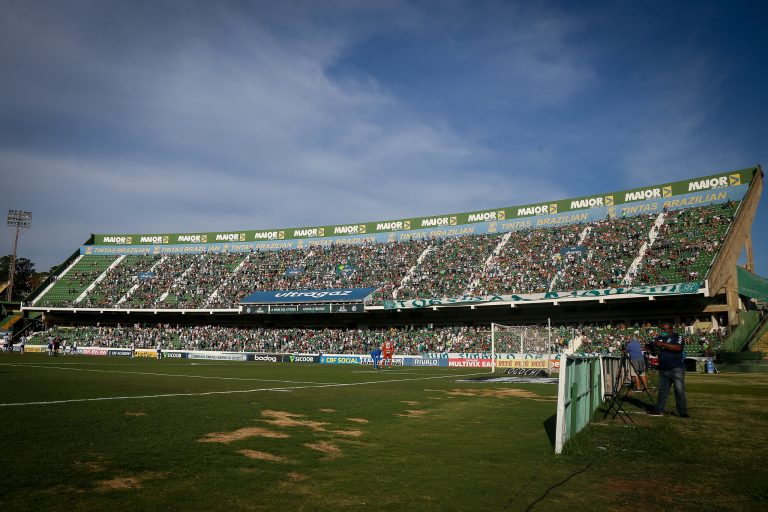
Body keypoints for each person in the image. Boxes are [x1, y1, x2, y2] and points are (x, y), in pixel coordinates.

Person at [650, 322, 689, 417]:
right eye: (661, 330)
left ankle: (683, 412)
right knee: (662, 391)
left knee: (679, 390)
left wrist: (663, 344)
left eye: (664, 329)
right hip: (663, 368)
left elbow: (678, 348)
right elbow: (654, 352)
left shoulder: (677, 337)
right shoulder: (659, 338)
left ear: (670, 329)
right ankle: (659, 409)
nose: (662, 331)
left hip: (676, 368)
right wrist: (652, 348)